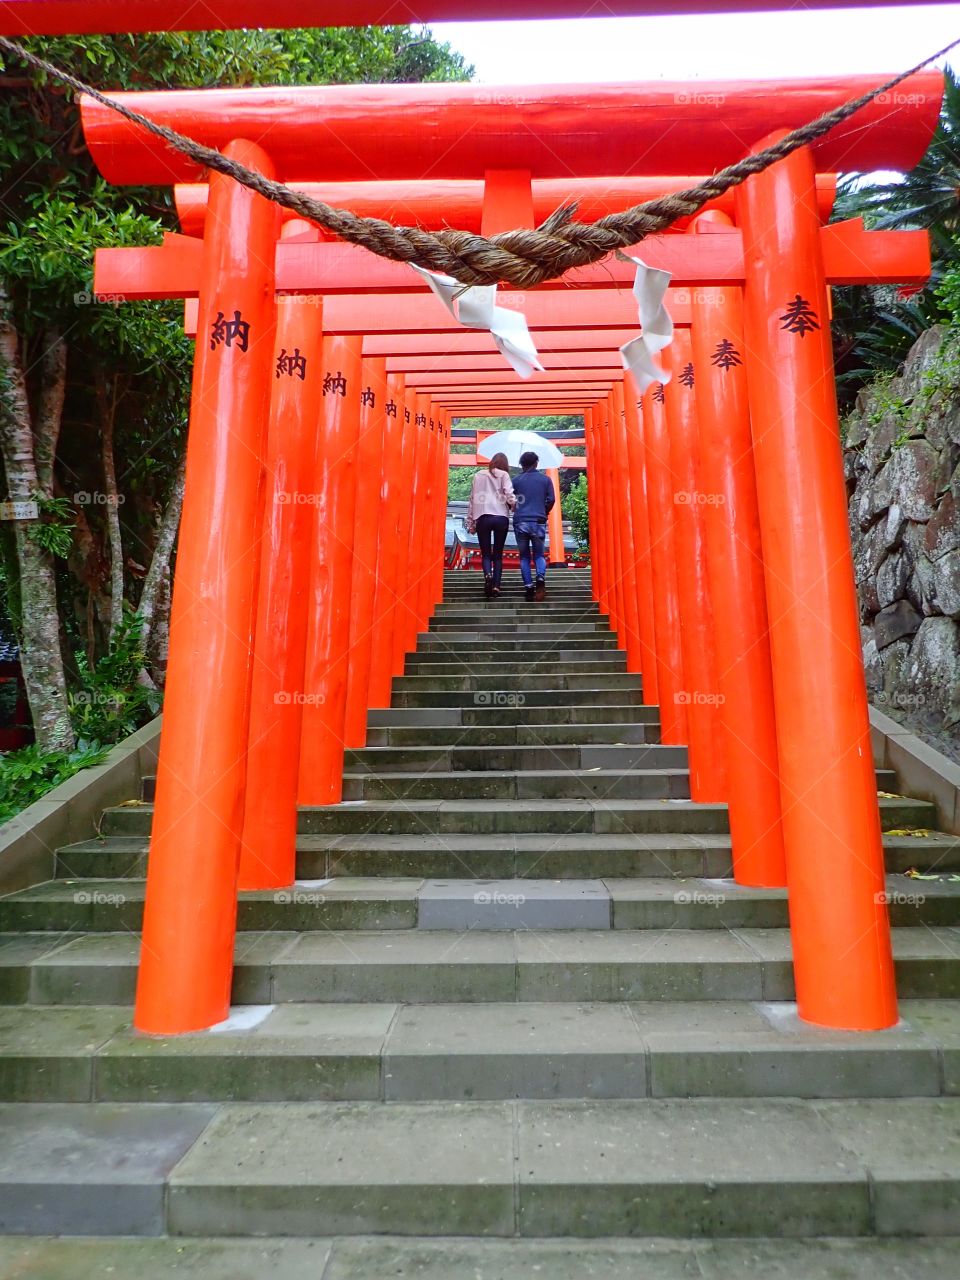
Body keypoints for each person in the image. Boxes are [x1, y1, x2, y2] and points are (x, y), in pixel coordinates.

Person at [466, 451, 516, 598]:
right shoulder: (504, 475)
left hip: (483, 517)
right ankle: (496, 586)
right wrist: (514, 505)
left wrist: (470, 521)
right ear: (505, 464)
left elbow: (472, 499)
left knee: (486, 553)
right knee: (498, 554)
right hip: (501, 517)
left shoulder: (478, 475)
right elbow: (509, 493)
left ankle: (488, 575)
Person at [511, 451, 556, 602]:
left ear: (522, 464)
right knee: (538, 555)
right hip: (538, 521)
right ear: (536, 463)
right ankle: (541, 578)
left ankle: (529, 587)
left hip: (521, 521)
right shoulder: (546, 480)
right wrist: (544, 511)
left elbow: (508, 499)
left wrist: (516, 506)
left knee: (524, 557)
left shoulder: (516, 480)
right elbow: (551, 499)